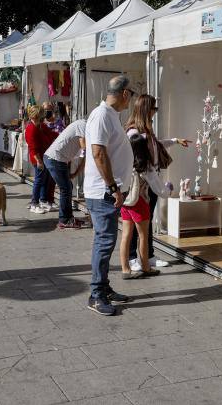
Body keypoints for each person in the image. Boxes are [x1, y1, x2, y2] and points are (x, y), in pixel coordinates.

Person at [85, 75, 135, 316]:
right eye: (131, 95)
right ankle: (96, 295)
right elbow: (98, 153)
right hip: (103, 192)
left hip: (109, 191)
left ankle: (103, 288)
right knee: (104, 243)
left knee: (106, 242)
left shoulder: (111, 116)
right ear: (125, 94)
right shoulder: (102, 115)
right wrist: (113, 187)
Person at [124, 94, 189, 271]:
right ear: (146, 109)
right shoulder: (134, 133)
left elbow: (156, 146)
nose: (155, 112)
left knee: (145, 221)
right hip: (140, 185)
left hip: (148, 184)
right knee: (135, 224)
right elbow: (139, 162)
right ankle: (133, 259)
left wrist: (175, 141)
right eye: (154, 108)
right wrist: (159, 185)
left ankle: (147, 257)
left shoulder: (146, 131)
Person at [120, 133, 172, 279]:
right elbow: (159, 188)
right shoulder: (145, 166)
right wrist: (169, 189)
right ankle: (146, 267)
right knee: (143, 236)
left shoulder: (124, 163)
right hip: (140, 202)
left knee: (126, 236)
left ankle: (125, 269)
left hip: (126, 203)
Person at [44, 118, 86, 229]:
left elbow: (85, 159)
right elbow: (85, 147)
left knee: (68, 187)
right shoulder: (83, 124)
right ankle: (64, 219)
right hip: (55, 158)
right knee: (65, 188)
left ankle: (68, 217)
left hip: (58, 159)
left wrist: (74, 174)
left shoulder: (84, 128)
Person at [24, 105, 58, 214]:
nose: (42, 117)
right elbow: (33, 148)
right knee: (39, 180)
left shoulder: (40, 125)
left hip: (44, 156)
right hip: (38, 158)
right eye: (40, 115)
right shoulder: (31, 128)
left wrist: (61, 135)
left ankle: (43, 200)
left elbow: (51, 134)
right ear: (35, 116)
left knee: (45, 179)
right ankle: (34, 203)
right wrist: (39, 161)